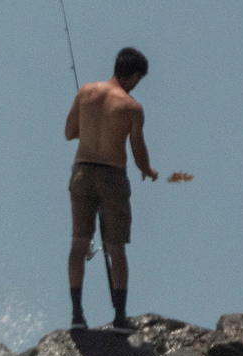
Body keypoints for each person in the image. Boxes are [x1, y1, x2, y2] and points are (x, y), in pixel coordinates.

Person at [64, 46, 157, 332]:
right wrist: (148, 170)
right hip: (112, 177)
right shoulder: (132, 108)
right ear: (134, 75)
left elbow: (69, 132)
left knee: (80, 243)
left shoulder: (86, 92)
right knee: (116, 247)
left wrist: (92, 127)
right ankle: (120, 318)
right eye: (138, 79)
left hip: (82, 173)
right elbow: (138, 151)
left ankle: (77, 315)